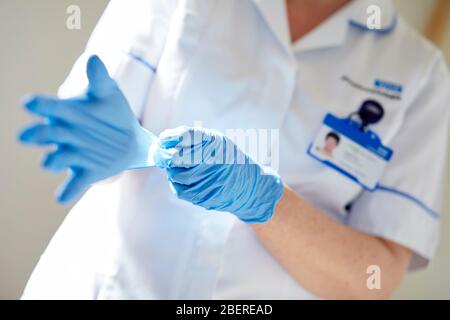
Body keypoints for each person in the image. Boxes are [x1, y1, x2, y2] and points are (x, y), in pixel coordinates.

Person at [19, 0, 450, 299]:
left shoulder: (419, 72)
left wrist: (264, 201)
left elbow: (372, 280)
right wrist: (106, 132)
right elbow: (100, 104)